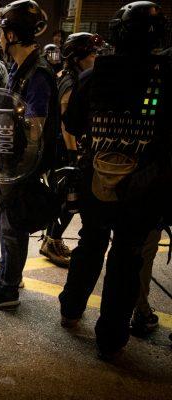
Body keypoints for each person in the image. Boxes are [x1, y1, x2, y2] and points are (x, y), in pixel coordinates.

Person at [58, 1, 171, 360]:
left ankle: (72, 309)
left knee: (90, 243)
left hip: (96, 180)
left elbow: (74, 124)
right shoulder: (165, 78)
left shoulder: (95, 75)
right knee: (127, 257)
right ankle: (111, 338)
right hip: (144, 187)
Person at [0, 0, 58, 309]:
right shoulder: (19, 66)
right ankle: (7, 269)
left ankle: (8, 289)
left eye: (2, 32)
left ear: (12, 35)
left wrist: (19, 171)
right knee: (4, 221)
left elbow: (36, 128)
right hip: (10, 156)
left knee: (12, 223)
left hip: (23, 163)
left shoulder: (37, 73)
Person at [40, 32, 102, 268]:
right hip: (66, 148)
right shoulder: (70, 80)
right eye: (91, 54)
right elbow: (67, 123)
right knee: (68, 199)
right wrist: (73, 154)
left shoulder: (76, 77)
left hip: (69, 146)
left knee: (68, 199)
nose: (95, 57)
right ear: (77, 57)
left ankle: (52, 238)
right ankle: (51, 241)